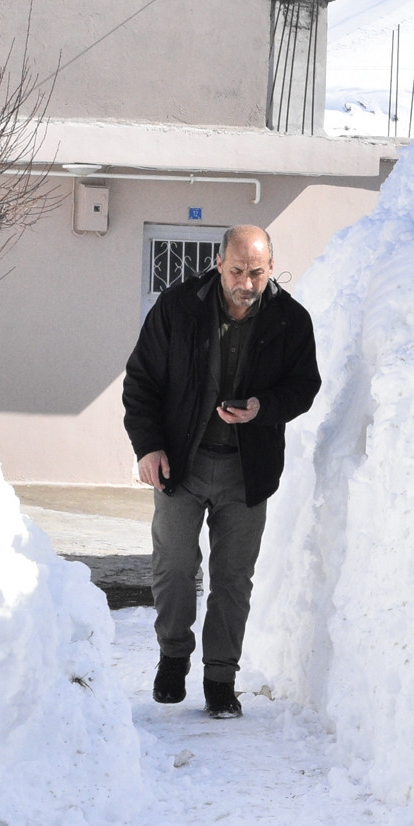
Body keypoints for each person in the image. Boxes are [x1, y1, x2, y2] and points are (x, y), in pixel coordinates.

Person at [122, 224, 319, 718]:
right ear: (218, 264)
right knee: (174, 566)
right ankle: (173, 657)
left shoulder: (291, 320)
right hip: (181, 463)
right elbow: (142, 381)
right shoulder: (178, 307)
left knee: (233, 578)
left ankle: (220, 679)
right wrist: (148, 447)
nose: (246, 283)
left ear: (271, 267)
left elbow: (304, 387)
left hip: (247, 471)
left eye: (256, 273)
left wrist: (263, 407)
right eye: (236, 271)